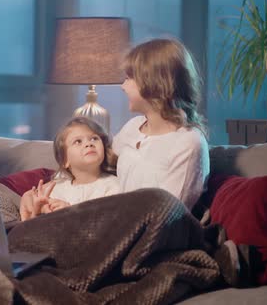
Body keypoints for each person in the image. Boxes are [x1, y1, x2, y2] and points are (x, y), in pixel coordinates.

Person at [21, 38, 209, 220]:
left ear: (153, 83)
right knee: (5, 204)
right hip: (105, 222)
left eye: (128, 78)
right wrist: (40, 193)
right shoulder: (134, 127)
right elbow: (93, 163)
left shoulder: (188, 142)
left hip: (140, 236)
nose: (122, 86)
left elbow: (168, 218)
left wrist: (76, 216)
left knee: (28, 231)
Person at [20, 117, 120, 221]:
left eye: (94, 138)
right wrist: (37, 212)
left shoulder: (113, 186)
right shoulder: (55, 188)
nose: (89, 144)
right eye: (78, 141)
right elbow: (34, 227)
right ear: (64, 161)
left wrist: (70, 213)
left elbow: (107, 224)